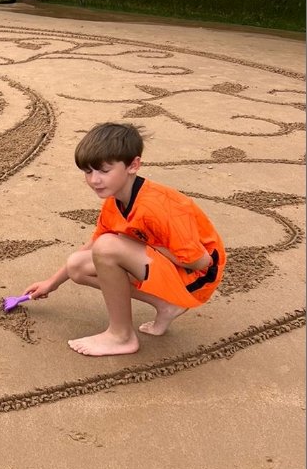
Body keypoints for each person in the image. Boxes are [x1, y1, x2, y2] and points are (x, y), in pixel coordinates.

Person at [22, 122, 226, 357]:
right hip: (171, 269)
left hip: (197, 280)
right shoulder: (114, 202)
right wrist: (51, 283)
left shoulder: (157, 206)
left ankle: (121, 336)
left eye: (104, 171)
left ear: (133, 165)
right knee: (77, 265)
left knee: (108, 247)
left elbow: (201, 263)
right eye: (88, 171)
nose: (94, 180)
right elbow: (91, 246)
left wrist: (144, 246)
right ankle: (167, 305)